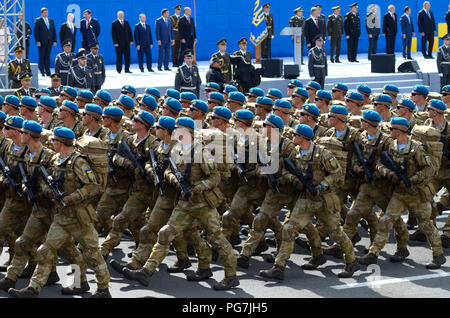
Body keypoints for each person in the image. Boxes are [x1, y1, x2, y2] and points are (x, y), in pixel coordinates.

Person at [8, 126, 111, 298]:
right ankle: (33, 289)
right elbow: (46, 181)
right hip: (61, 217)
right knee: (45, 250)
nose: (51, 143)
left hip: (80, 217)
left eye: (54, 140)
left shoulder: (78, 162)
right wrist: (48, 191)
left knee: (93, 255)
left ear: (61, 142)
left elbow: (93, 186)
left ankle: (102, 289)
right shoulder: (56, 159)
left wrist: (72, 198)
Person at [357, 117, 446, 270]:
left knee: (426, 225)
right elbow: (380, 164)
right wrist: (389, 173)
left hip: (416, 193)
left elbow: (429, 168)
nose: (389, 131)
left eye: (392, 129)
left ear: (399, 131)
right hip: (399, 192)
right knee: (385, 220)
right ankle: (374, 254)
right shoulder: (392, 146)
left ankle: (438, 255)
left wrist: (413, 179)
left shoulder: (416, 149)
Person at [33, 7, 57, 77]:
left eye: (47, 12)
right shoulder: (38, 20)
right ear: (42, 13)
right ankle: (42, 70)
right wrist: (37, 41)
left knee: (47, 56)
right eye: (45, 13)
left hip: (49, 42)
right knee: (42, 56)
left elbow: (54, 31)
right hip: (41, 42)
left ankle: (48, 71)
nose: (46, 14)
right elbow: (36, 32)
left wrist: (54, 40)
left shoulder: (51, 20)